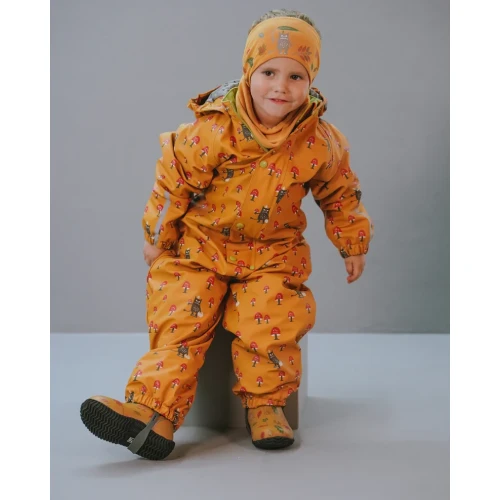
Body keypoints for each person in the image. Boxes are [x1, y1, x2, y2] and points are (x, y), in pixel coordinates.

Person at [80, 8, 374, 460]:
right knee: (179, 316)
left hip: (273, 252)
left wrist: (352, 243)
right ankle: (152, 414)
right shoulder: (215, 127)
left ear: (311, 80)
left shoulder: (320, 141)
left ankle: (267, 406)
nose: (281, 86)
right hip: (201, 246)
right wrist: (157, 235)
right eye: (269, 72)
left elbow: (341, 195)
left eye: (296, 76)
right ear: (248, 71)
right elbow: (173, 182)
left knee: (273, 318)